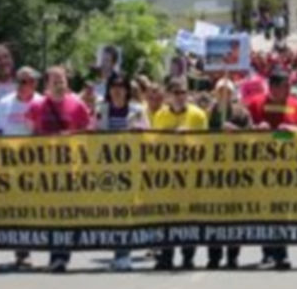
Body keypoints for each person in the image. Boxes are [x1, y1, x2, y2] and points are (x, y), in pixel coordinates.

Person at [26, 66, 92, 272]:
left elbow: (89, 133)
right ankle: (55, 253)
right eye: (54, 80)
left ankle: (61, 255)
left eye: (61, 79)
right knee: (51, 214)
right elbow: (30, 135)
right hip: (46, 170)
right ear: (47, 84)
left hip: (70, 169)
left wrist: (72, 139)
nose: (58, 83)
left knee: (66, 213)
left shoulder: (78, 105)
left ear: (67, 82)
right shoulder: (37, 106)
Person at [247, 69, 297, 270]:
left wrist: (294, 130)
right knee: (265, 211)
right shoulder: (255, 103)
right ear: (273, 87)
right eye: (285, 85)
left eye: (289, 85)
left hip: (288, 167)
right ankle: (267, 253)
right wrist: (256, 130)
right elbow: (240, 129)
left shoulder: (296, 105)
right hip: (261, 166)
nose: (289, 89)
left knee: (282, 212)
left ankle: (281, 253)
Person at [152, 77, 209, 270]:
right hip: (168, 176)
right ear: (168, 95)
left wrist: (189, 138)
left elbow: (207, 145)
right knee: (167, 217)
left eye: (183, 92)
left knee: (188, 216)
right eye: (175, 93)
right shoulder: (160, 115)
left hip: (190, 175)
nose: (180, 97)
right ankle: (166, 255)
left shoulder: (198, 115)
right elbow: (155, 143)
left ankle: (188, 256)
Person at [96, 73, 149, 271]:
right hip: (108, 169)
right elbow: (94, 135)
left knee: (126, 212)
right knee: (114, 213)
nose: (117, 90)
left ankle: (123, 253)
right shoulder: (102, 109)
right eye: (114, 86)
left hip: (131, 169)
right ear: (109, 90)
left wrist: (140, 129)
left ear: (127, 90)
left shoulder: (137, 110)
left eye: (121, 86)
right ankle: (119, 251)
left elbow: (149, 134)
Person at [0, 66, 42, 268]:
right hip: (11, 164)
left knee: (35, 208)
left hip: (36, 164)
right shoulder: (5, 104)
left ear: (35, 84)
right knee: (18, 208)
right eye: (20, 81)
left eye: (28, 81)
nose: (23, 86)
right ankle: (22, 251)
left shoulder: (41, 103)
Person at [205, 78, 252, 269]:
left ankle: (233, 255)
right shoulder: (207, 113)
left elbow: (252, 137)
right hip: (213, 171)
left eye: (227, 92)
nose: (224, 95)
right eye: (220, 92)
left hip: (236, 170)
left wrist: (237, 131)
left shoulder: (242, 113)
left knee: (234, 214)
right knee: (213, 215)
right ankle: (214, 255)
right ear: (215, 94)